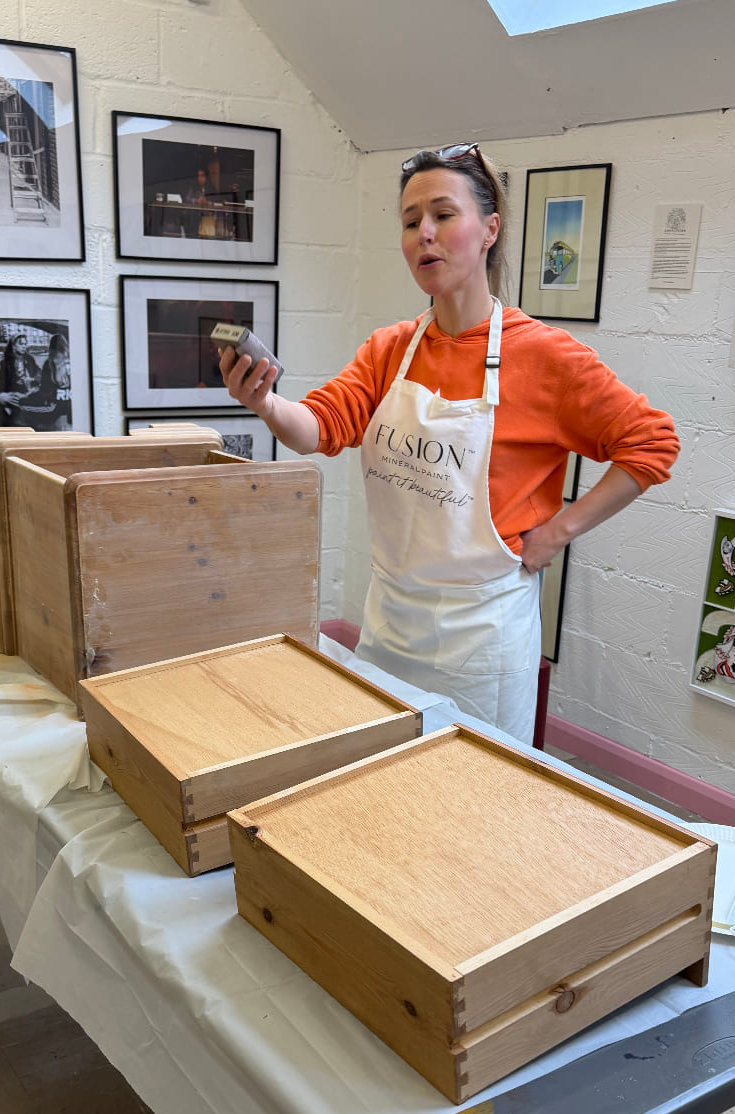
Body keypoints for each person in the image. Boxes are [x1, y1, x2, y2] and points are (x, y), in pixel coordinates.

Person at [219, 143, 679, 744]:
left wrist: (556, 533)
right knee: (384, 776)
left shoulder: (545, 357)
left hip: (482, 637)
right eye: (411, 222)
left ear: (490, 230)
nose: (425, 235)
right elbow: (319, 427)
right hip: (391, 623)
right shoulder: (390, 349)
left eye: (442, 215)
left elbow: (652, 443)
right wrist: (266, 403)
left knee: (474, 788)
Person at [20, 333, 72, 431]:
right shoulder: (72, 362)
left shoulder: (49, 363)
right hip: (68, 406)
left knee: (21, 405)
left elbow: (45, 391)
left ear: (51, 348)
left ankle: (35, 431)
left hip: (54, 407)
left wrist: (32, 391)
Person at [0, 333, 42, 424]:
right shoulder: (6, 362)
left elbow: (39, 374)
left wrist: (32, 379)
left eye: (25, 344)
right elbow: (1, 383)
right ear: (13, 346)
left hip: (27, 394)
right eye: (21, 344)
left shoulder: (30, 359)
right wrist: (2, 396)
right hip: (12, 396)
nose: (24, 346)